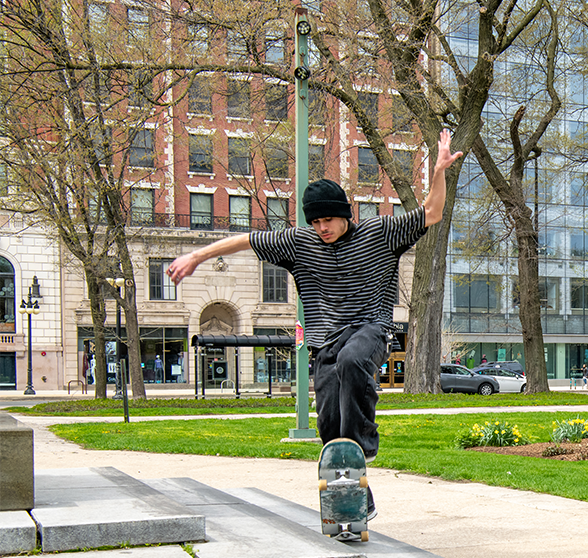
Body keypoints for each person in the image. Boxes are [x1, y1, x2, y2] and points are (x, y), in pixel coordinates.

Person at [168, 130, 464, 521]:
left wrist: (440, 171)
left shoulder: (379, 232)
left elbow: (431, 213)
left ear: (345, 215)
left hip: (370, 327)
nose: (323, 228)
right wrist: (197, 255)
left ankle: (364, 444)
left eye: (329, 220)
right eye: (317, 222)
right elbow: (244, 240)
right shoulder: (299, 241)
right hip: (325, 339)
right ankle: (355, 487)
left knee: (353, 362)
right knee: (328, 425)